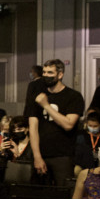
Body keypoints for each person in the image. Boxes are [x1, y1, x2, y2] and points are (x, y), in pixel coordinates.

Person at [27, 59, 85, 187]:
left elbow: (68, 124)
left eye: (50, 72)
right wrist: (37, 156)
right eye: (44, 72)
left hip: (63, 155)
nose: (46, 76)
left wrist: (46, 105)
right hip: (41, 153)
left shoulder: (73, 96)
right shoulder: (36, 95)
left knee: (63, 194)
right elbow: (33, 128)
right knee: (39, 195)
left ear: (60, 75)